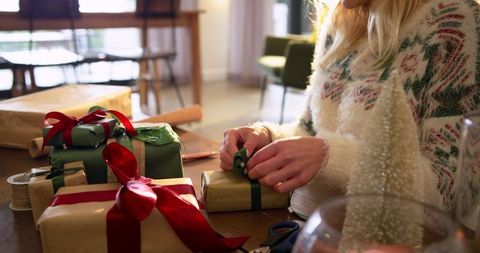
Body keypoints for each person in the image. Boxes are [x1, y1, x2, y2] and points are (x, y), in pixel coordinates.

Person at [220, 0, 480, 228]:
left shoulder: (454, 21)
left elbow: (449, 191)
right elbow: (309, 130)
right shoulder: (340, 20)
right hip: (320, 225)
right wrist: (267, 136)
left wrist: (329, 156)